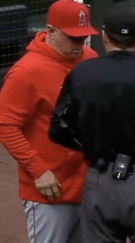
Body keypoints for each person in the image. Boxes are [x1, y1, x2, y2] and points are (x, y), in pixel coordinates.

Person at [48, 6, 135, 243]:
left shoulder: (82, 73)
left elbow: (58, 129)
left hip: (99, 180)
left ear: (103, 36)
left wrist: (89, 145)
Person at [0, 1, 98, 242]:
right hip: (49, 192)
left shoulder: (91, 59)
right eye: (73, 37)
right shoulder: (26, 72)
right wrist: (38, 170)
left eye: (83, 37)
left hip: (88, 187)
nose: (80, 44)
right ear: (51, 31)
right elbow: (5, 124)